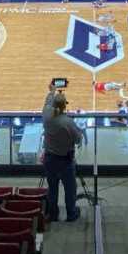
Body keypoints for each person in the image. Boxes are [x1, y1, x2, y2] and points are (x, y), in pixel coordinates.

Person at [41, 83, 83, 222]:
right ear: (64, 106)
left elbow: (47, 103)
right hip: (65, 160)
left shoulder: (46, 115)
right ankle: (71, 213)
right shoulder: (68, 122)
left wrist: (51, 92)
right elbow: (78, 140)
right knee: (70, 188)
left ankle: (53, 214)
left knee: (52, 188)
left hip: (49, 158)